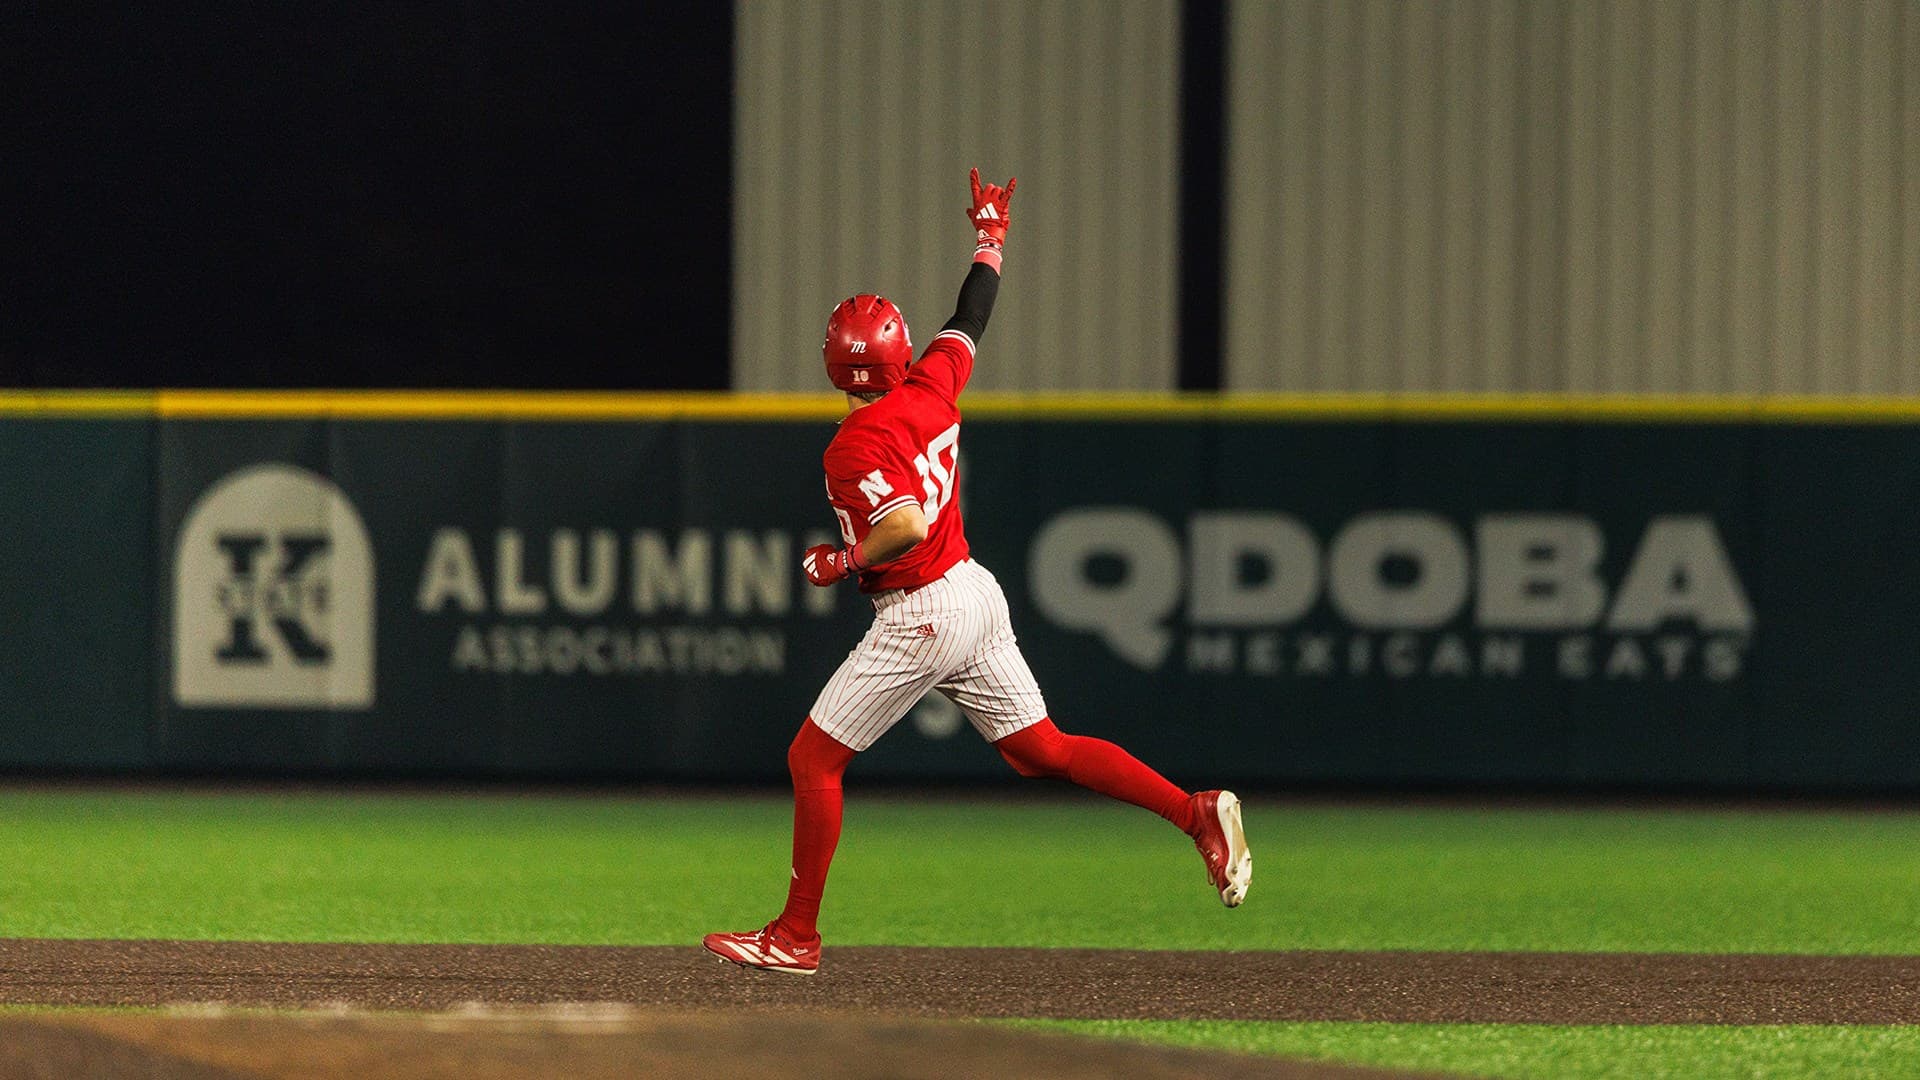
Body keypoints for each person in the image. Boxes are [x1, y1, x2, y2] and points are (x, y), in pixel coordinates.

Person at [702, 170, 1251, 976]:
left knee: (813, 760)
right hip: (972, 591)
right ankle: (1193, 811)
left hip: (922, 608)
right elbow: (971, 314)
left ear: (830, 363)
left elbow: (903, 525)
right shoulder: (931, 386)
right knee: (1043, 751)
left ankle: (795, 937)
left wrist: (840, 561)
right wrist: (989, 235)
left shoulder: (851, 447)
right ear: (897, 356)